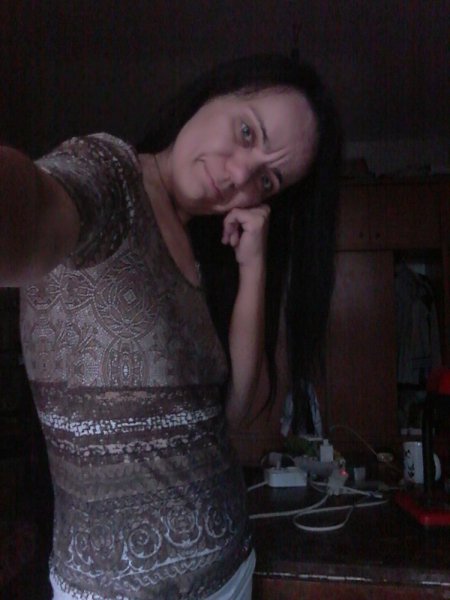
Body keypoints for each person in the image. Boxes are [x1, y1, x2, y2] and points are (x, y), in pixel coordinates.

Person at [0, 53, 341, 599]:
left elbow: (235, 412)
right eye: (247, 131)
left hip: (229, 574)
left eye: (267, 180)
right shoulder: (109, 175)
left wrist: (254, 267)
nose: (238, 176)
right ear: (218, 91)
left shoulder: (205, 257)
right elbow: (35, 208)